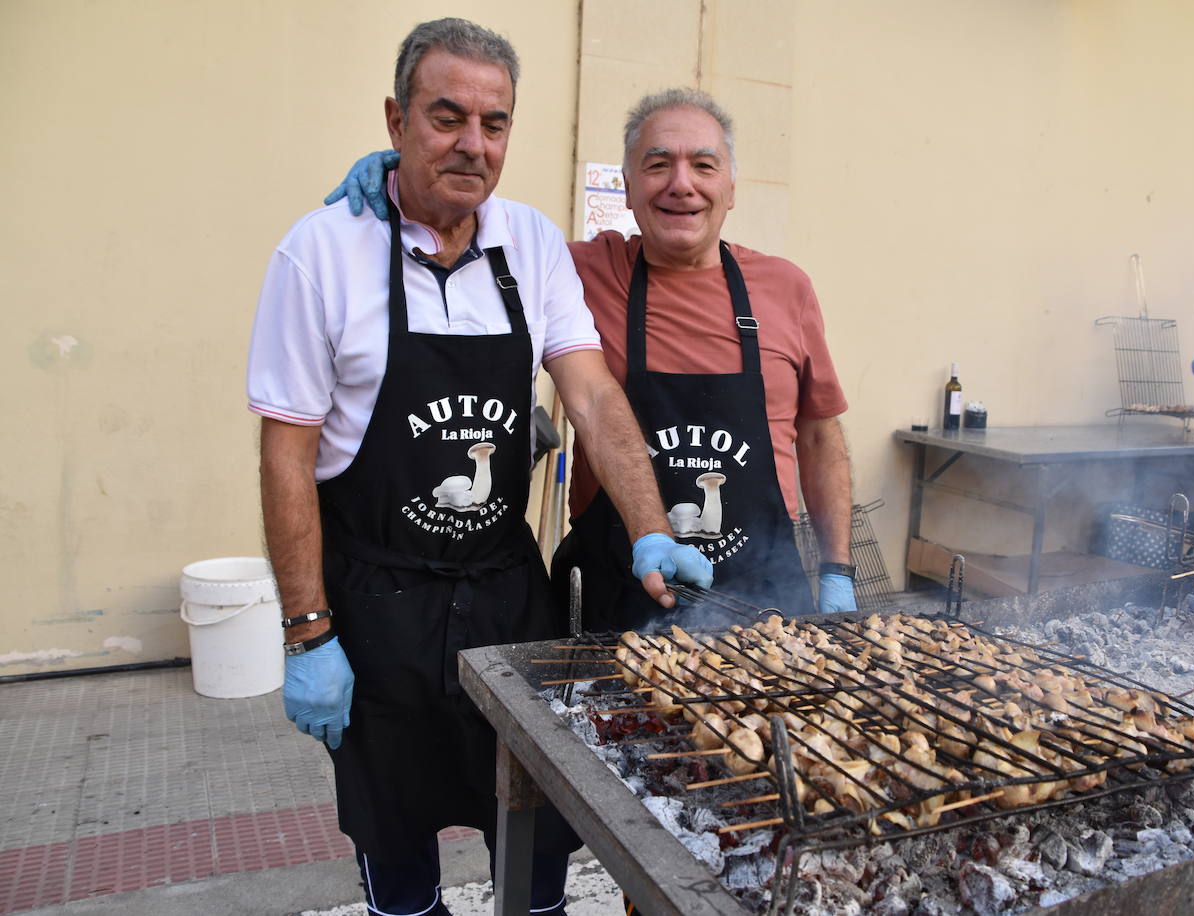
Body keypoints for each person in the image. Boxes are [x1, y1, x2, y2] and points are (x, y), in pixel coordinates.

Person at [249, 19, 711, 916]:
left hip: (507, 596)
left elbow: (593, 396)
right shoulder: (321, 252)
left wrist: (651, 526)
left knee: (536, 838)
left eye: (494, 123)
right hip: (377, 606)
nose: (472, 143)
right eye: (446, 116)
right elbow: (286, 454)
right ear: (396, 119)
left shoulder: (531, 244)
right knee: (396, 847)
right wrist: (308, 634)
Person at [328, 88, 858, 632]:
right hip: (618, 590)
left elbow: (819, 437)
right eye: (657, 165)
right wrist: (406, 179)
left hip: (764, 592)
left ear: (731, 188)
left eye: (704, 165)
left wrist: (837, 570)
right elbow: (470, 225)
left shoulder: (786, 288)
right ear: (627, 189)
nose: (681, 184)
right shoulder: (574, 270)